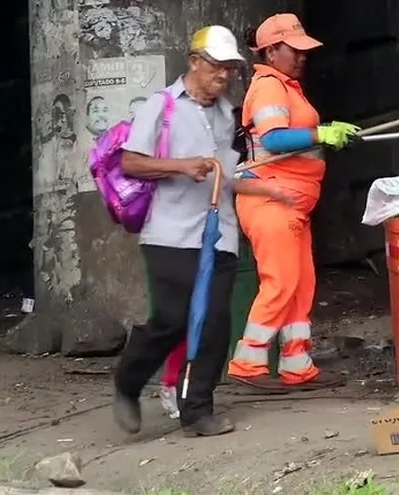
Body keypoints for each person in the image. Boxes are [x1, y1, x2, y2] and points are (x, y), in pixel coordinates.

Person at [113, 25, 294, 437]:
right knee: (173, 319)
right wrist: (180, 165)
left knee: (214, 322)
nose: (224, 75)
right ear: (194, 62)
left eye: (230, 68)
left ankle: (198, 409)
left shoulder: (225, 114)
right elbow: (130, 163)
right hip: (169, 234)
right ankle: (127, 380)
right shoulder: (161, 106)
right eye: (217, 66)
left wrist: (267, 189)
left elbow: (225, 177)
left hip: (218, 233)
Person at [226, 13, 360, 391]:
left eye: (305, 51)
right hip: (272, 200)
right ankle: (248, 363)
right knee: (282, 282)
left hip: (292, 204)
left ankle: (296, 364)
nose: (303, 57)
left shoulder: (287, 85)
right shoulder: (269, 86)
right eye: (294, 50)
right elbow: (274, 141)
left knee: (300, 284)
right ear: (271, 51)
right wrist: (321, 132)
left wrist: (325, 135)